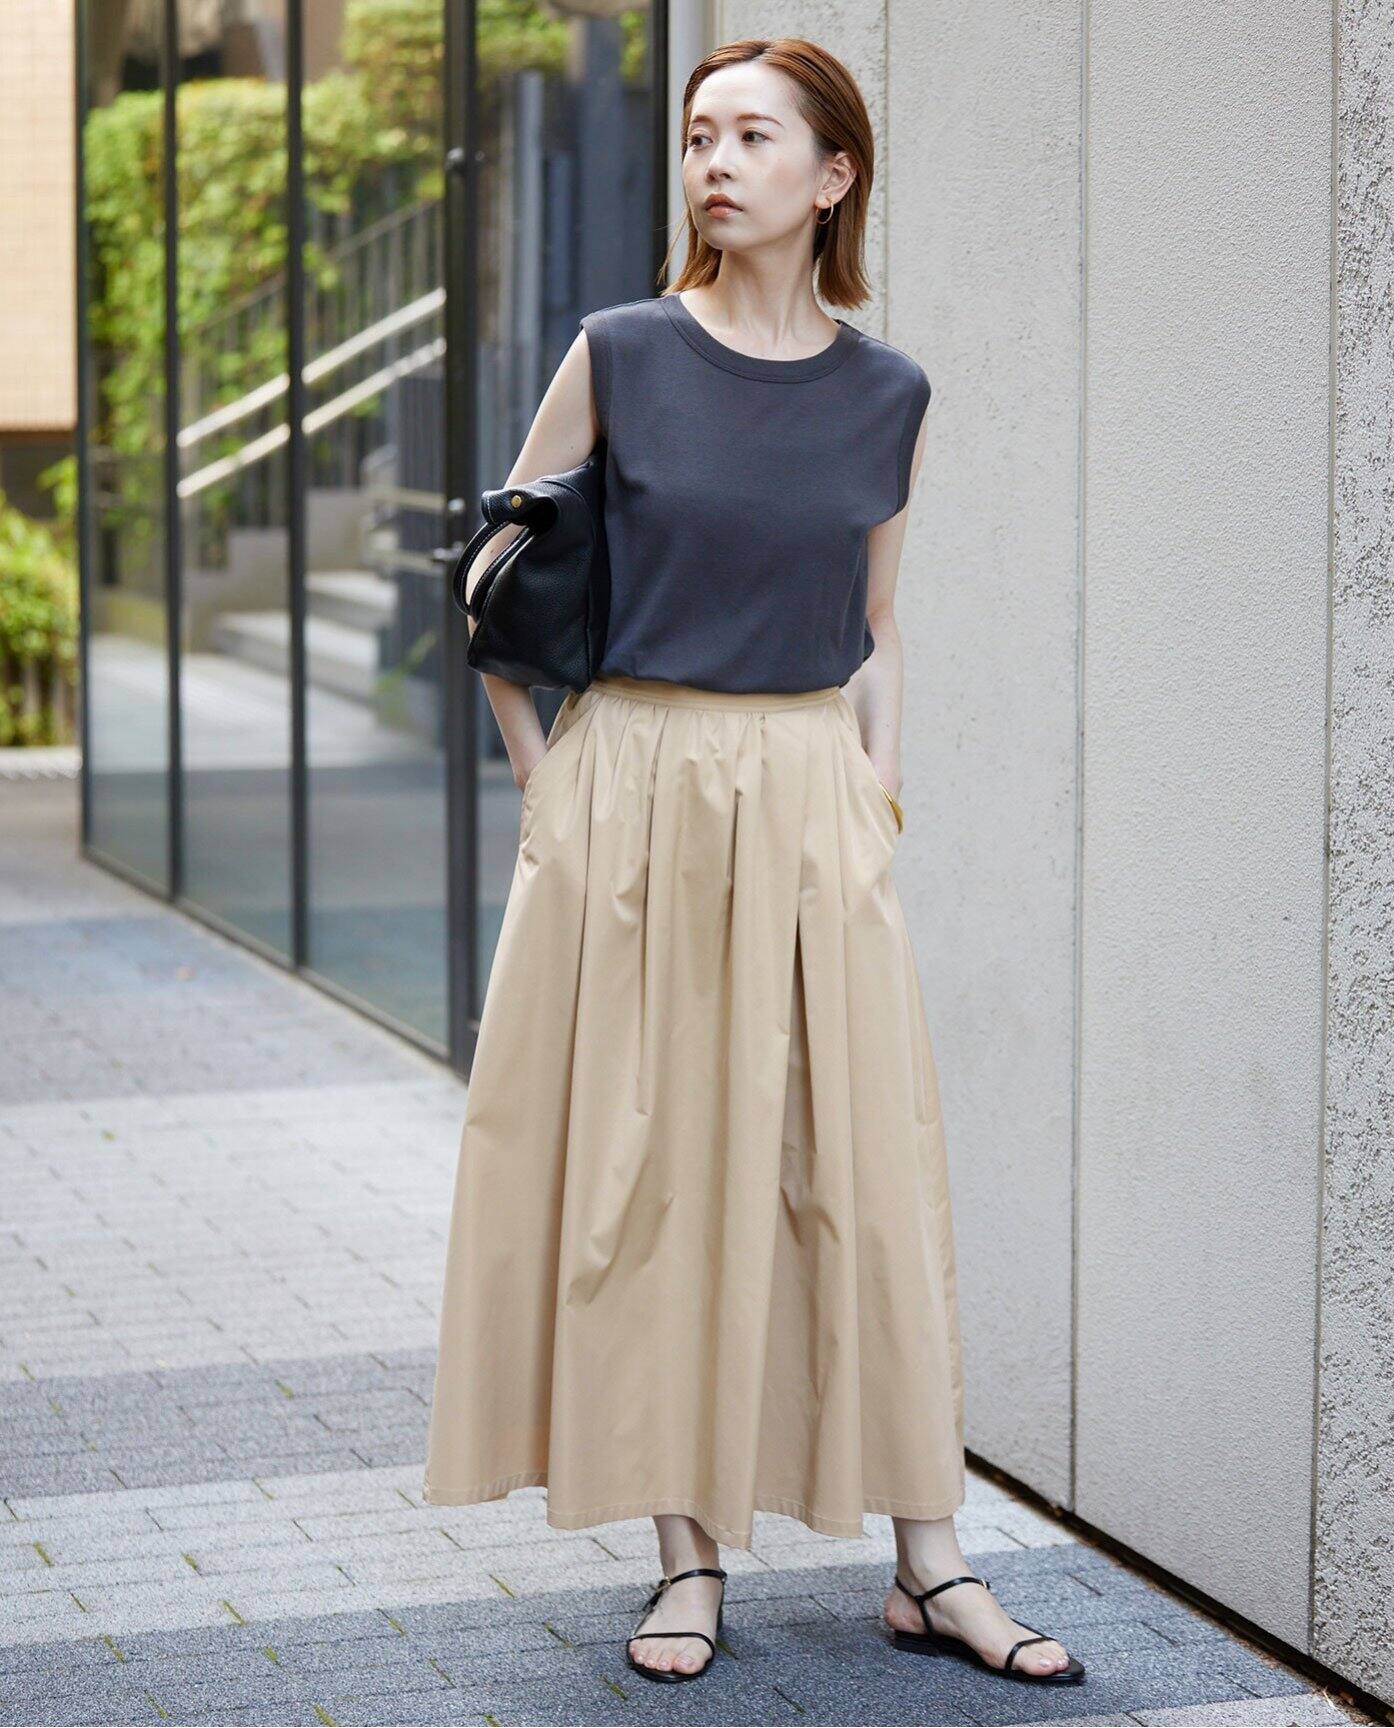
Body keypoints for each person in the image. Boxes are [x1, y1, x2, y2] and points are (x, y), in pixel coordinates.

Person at [423, 34, 1084, 1691]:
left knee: (864, 1174)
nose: (714, 162)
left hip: (805, 796)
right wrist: (548, 791)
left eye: (752, 137)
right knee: (652, 1176)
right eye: (699, 134)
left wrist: (879, 790)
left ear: (832, 175)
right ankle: (688, 1555)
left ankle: (931, 1563)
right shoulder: (623, 352)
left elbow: (877, 624)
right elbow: (498, 590)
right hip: (632, 787)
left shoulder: (888, 391)